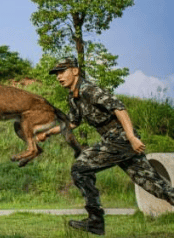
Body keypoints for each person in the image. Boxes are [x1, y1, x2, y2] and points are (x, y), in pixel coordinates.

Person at [36, 57, 174, 235]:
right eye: (57, 74)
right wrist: (47, 132)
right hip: (115, 141)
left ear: (75, 71)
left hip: (120, 138)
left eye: (62, 71)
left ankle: (95, 221)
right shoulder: (73, 97)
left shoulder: (90, 90)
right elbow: (72, 122)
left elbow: (119, 108)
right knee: (153, 185)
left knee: (80, 168)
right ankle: (95, 221)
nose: (59, 77)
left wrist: (131, 137)